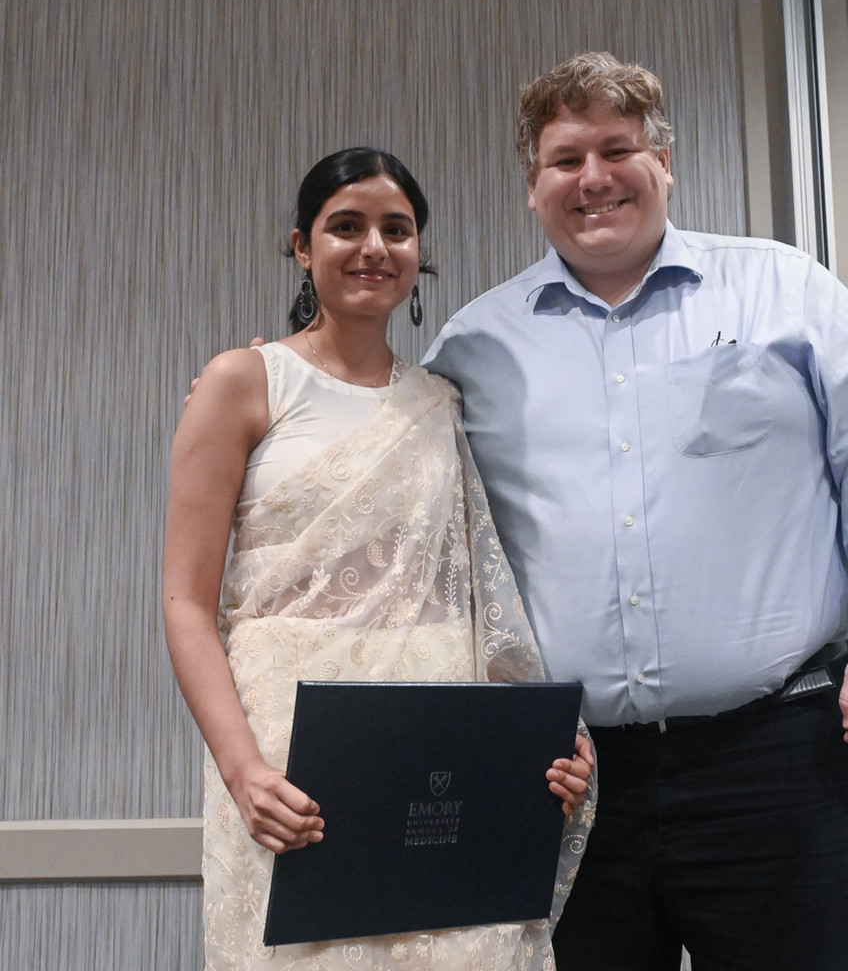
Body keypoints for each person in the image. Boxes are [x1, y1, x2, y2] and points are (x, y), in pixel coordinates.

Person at [422, 53, 848, 971]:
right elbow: (394, 477)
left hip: (777, 758)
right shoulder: (474, 348)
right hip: (564, 777)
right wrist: (278, 380)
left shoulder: (787, 292)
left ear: (664, 162)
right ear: (532, 186)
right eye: (564, 159)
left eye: (617, 148)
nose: (592, 178)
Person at [163, 147, 595, 971]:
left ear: (418, 254)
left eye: (397, 230)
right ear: (301, 246)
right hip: (293, 757)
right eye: (346, 227)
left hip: (437, 744)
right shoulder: (245, 382)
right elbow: (186, 601)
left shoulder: (440, 402)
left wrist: (535, 747)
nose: (373, 248)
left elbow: (478, 592)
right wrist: (243, 767)